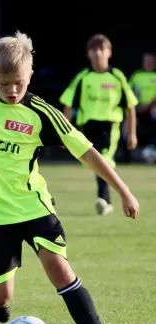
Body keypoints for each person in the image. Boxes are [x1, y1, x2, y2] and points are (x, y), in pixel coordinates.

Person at [0, 31, 139, 324]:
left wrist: (124, 191)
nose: (13, 90)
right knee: (2, 296)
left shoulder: (41, 113)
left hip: (33, 206)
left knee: (59, 268)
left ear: (30, 76)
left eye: (19, 82)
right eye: (4, 83)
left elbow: (88, 152)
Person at [59, 34, 138, 216]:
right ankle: (107, 201)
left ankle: (103, 198)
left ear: (109, 52)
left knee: (103, 159)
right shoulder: (83, 77)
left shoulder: (117, 77)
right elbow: (69, 105)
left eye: (101, 49)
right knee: (95, 164)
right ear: (88, 54)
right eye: (93, 50)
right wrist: (62, 132)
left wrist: (132, 133)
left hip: (109, 127)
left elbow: (130, 107)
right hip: (88, 127)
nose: (97, 53)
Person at [129, 51, 156, 150]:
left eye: (151, 61)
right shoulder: (136, 76)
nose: (148, 63)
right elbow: (129, 92)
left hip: (152, 107)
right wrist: (137, 104)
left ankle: (153, 145)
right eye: (146, 61)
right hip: (138, 108)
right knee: (128, 120)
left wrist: (150, 104)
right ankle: (127, 152)